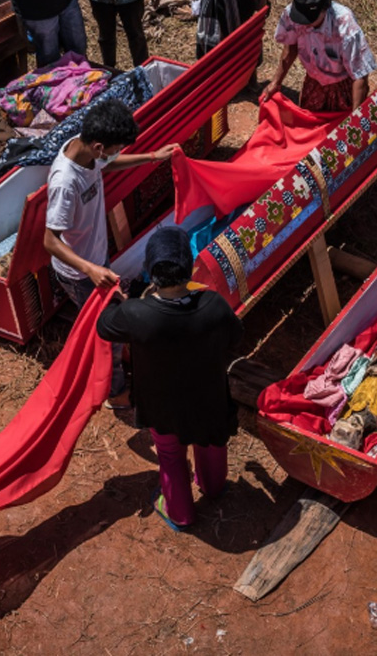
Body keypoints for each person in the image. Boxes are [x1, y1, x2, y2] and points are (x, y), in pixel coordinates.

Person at [96, 226, 244, 529]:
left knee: (170, 454)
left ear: (150, 271)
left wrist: (116, 298)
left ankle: (179, 512)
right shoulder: (214, 305)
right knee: (212, 442)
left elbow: (104, 326)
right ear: (189, 269)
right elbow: (235, 339)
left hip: (162, 405)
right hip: (209, 398)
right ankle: (214, 487)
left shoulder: (137, 314)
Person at [44, 98, 177, 407]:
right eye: (116, 147)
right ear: (99, 145)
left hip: (96, 261)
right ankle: (115, 394)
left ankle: (108, 376)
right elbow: (50, 241)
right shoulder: (65, 182)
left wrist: (152, 157)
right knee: (111, 335)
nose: (117, 154)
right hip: (81, 273)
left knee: (109, 324)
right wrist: (89, 269)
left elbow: (109, 162)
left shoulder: (88, 151)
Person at [262, 0, 377, 112]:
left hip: (342, 87)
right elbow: (291, 47)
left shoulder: (345, 26)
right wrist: (276, 82)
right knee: (310, 127)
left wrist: (356, 117)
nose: (305, 24)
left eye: (310, 19)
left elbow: (360, 75)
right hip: (314, 83)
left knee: (339, 130)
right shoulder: (291, 13)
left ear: (325, 8)